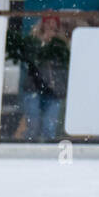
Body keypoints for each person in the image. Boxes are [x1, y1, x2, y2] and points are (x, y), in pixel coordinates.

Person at [20, 14, 69, 143]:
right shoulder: (33, 41)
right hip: (34, 88)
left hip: (54, 91)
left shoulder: (62, 45)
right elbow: (28, 62)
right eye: (48, 23)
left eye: (54, 24)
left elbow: (64, 67)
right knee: (33, 126)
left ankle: (48, 155)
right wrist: (42, 44)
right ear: (42, 25)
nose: (51, 27)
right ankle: (28, 152)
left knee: (49, 127)